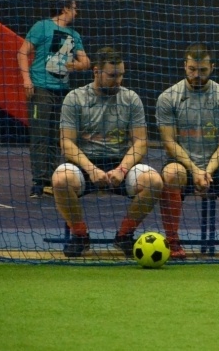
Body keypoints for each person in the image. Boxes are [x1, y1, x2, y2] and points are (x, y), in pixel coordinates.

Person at [51, 48, 162, 258]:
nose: (118, 80)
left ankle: (124, 235)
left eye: (121, 75)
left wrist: (122, 169)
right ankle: (80, 236)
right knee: (60, 179)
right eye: (112, 75)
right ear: (96, 72)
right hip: (83, 165)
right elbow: (66, 143)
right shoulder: (75, 98)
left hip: (120, 165)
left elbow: (140, 143)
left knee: (154, 181)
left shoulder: (131, 99)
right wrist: (91, 169)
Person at [156, 43, 219, 260]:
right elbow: (169, 142)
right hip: (182, 165)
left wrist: (207, 171)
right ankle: (172, 241)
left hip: (217, 167)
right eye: (192, 69)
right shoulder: (168, 97)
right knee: (170, 174)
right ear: (185, 66)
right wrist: (194, 170)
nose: (197, 75)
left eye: (202, 70)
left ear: (212, 67)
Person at [18, 0, 91, 198]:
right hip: (40, 88)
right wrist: (27, 80)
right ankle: (39, 182)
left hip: (62, 91)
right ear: (65, 8)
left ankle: (52, 180)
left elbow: (86, 62)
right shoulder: (42, 27)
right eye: (74, 8)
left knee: (56, 137)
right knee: (40, 135)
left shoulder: (74, 35)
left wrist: (76, 65)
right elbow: (23, 52)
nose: (76, 12)